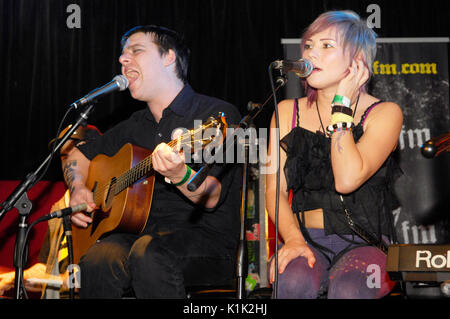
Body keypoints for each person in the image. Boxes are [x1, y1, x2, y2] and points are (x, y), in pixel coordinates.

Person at [65, 25, 242, 298]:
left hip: (205, 243)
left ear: (168, 57)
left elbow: (211, 196)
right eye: (122, 55)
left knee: (148, 253)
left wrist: (180, 174)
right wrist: (78, 187)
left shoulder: (217, 116)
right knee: (97, 259)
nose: (123, 60)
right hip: (137, 238)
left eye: (136, 51)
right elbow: (78, 154)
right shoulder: (133, 126)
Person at [266, 10, 403, 299]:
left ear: (357, 60)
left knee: (350, 289)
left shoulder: (384, 113)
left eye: (327, 46)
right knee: (291, 281)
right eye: (309, 45)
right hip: (305, 239)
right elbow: (274, 190)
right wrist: (292, 240)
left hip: (365, 244)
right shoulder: (286, 111)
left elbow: (346, 180)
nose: (312, 53)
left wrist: (341, 104)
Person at [0, 125, 101, 299]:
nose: (69, 162)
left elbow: (91, 281)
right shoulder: (59, 207)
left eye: (78, 153)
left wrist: (26, 278)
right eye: (63, 156)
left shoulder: (110, 204)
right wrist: (13, 278)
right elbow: (46, 268)